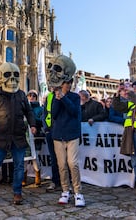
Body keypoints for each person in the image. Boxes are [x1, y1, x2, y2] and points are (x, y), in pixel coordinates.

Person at [0, 62, 36, 205]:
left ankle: (17, 193)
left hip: (18, 135)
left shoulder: (21, 94)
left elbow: (28, 111)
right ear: (0, 78)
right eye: (7, 75)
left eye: (15, 75)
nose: (12, 79)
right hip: (1, 136)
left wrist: (33, 124)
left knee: (19, 166)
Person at [52, 79, 85, 207]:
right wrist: (57, 98)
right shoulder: (54, 97)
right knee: (62, 164)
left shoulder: (75, 97)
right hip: (58, 135)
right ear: (61, 84)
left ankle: (77, 192)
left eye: (70, 82)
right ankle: (65, 190)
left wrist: (64, 97)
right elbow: (54, 114)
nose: (68, 84)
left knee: (73, 163)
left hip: (72, 134)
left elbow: (73, 111)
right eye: (66, 82)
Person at [42, 89, 61, 192]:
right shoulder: (49, 96)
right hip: (50, 131)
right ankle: (55, 181)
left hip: (61, 131)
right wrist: (46, 129)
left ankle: (66, 182)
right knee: (54, 158)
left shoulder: (65, 95)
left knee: (65, 159)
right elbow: (45, 113)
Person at [24, 89, 44, 186]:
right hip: (26, 136)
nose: (31, 97)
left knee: (35, 156)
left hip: (36, 135)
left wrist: (31, 117)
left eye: (33, 96)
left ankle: (37, 175)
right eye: (29, 95)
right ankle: (24, 177)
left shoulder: (40, 109)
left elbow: (41, 121)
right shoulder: (24, 108)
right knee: (25, 157)